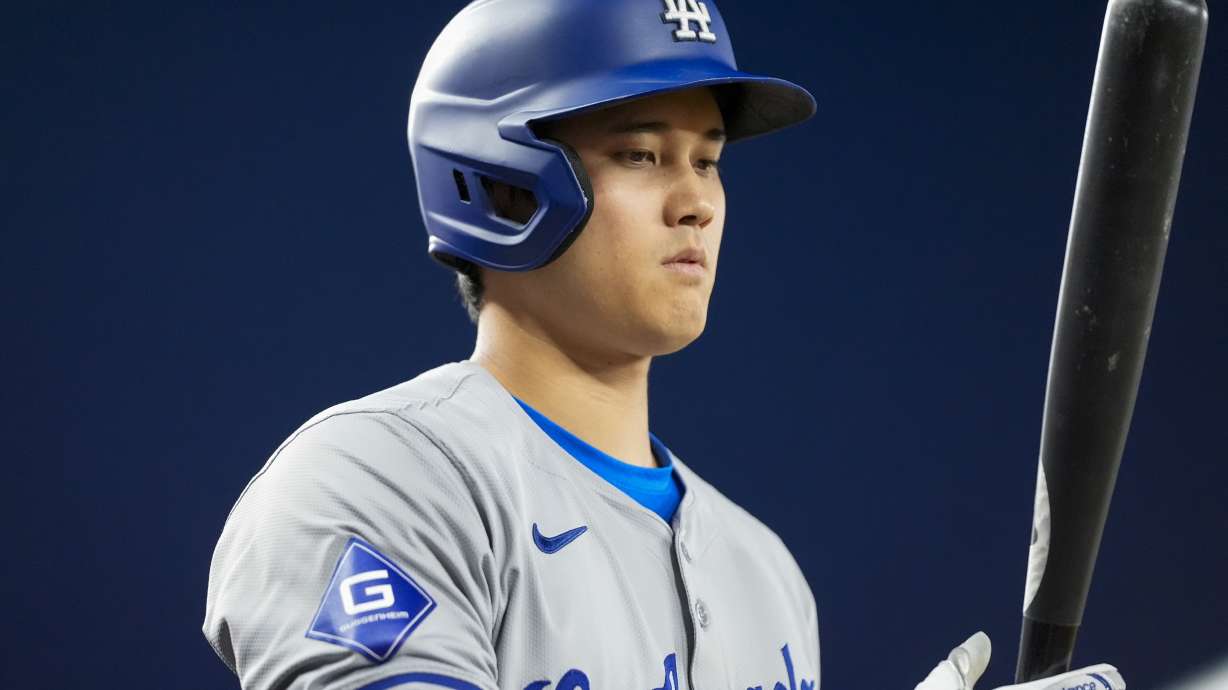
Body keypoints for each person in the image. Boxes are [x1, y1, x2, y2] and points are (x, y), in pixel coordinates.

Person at [203, 2, 1126, 689]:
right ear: (501, 183)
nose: (697, 201)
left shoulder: (764, 571)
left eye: (709, 157)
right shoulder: (380, 484)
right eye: (641, 154)